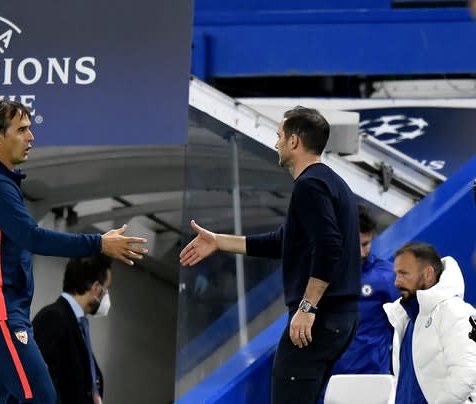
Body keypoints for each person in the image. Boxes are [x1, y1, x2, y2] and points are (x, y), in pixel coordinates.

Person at [0, 99, 148, 404]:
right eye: (22, 129)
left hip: (4, 312)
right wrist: (98, 243)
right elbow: (33, 238)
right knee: (42, 399)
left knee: (17, 399)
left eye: (30, 129)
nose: (31, 137)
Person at [180, 106, 360, 404]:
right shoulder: (330, 182)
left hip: (321, 317)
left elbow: (329, 247)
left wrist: (307, 307)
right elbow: (283, 242)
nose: (276, 142)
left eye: (279, 135)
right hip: (337, 319)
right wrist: (218, 241)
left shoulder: (310, 185)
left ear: (293, 142)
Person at [384, 242, 476, 403]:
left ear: (428, 274)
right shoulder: (405, 316)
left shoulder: (455, 311)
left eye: (404, 274)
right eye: (396, 274)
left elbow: (466, 375)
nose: (397, 282)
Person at [32, 254, 112, 404]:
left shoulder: (76, 324)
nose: (106, 297)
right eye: (106, 289)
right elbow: (39, 381)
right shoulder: (53, 317)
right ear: (95, 289)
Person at [330, 204, 400, 375]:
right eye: (355, 244)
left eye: (366, 244)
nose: (361, 252)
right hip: (329, 380)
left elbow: (405, 327)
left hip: (373, 376)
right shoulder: (321, 276)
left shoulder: (388, 277)